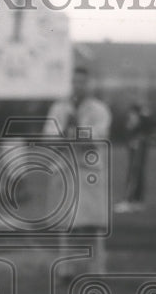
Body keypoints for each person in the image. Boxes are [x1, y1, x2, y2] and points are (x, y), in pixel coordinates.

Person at [44, 64, 111, 275]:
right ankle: (66, 270)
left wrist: (76, 131)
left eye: (82, 82)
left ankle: (97, 269)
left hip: (89, 170)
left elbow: (98, 137)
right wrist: (66, 131)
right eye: (74, 82)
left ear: (88, 85)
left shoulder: (99, 110)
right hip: (65, 169)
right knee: (66, 223)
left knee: (94, 224)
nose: (78, 86)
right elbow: (49, 136)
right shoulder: (59, 108)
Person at [115, 103, 152, 213]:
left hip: (138, 146)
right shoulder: (140, 126)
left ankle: (129, 201)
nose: (130, 117)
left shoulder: (141, 127)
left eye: (132, 114)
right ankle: (137, 201)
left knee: (134, 173)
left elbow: (133, 127)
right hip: (136, 145)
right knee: (137, 173)